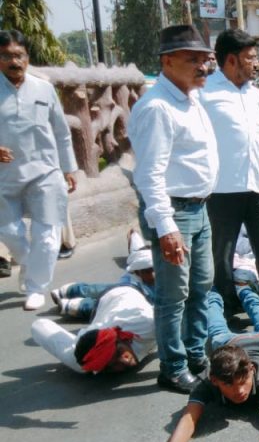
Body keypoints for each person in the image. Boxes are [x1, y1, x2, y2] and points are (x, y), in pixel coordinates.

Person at [128, 24, 218, 393]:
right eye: (192, 59)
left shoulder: (190, 98)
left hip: (199, 209)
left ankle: (195, 352)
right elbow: (149, 174)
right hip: (175, 212)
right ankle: (173, 366)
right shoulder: (157, 107)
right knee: (172, 295)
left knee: (201, 286)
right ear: (167, 61)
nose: (202, 66)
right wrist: (166, 228)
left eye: (203, 59)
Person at [149, 288, 259, 442]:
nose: (239, 391)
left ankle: (245, 290)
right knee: (215, 326)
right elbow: (189, 417)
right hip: (230, 344)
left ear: (251, 372)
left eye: (243, 382)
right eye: (229, 385)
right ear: (215, 380)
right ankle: (214, 294)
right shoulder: (207, 380)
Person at [200, 29, 259, 322]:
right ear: (230, 60)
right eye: (250, 58)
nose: (256, 64)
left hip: (258, 186)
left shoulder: (254, 95)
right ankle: (225, 303)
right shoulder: (205, 93)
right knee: (222, 252)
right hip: (222, 188)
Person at [0, 29, 77, 311]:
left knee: (47, 233)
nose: (13, 61)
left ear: (27, 57)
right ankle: (27, 263)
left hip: (45, 171)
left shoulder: (43, 89)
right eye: (6, 56)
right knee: (9, 232)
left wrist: (69, 168)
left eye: (18, 55)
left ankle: (36, 287)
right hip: (4, 176)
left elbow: (61, 131)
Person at [31, 284, 155, 374]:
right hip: (106, 311)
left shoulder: (148, 324)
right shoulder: (87, 357)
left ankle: (73, 297)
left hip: (122, 293)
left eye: (118, 353)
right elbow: (38, 326)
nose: (123, 360)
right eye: (113, 364)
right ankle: (74, 305)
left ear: (120, 339)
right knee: (79, 365)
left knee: (90, 294)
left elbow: (172, 316)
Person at [50, 241, 155, 318]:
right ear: (137, 272)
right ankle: (69, 291)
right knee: (101, 293)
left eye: (154, 270)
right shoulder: (132, 281)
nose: (153, 275)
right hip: (127, 291)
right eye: (148, 272)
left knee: (106, 307)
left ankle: (76, 305)